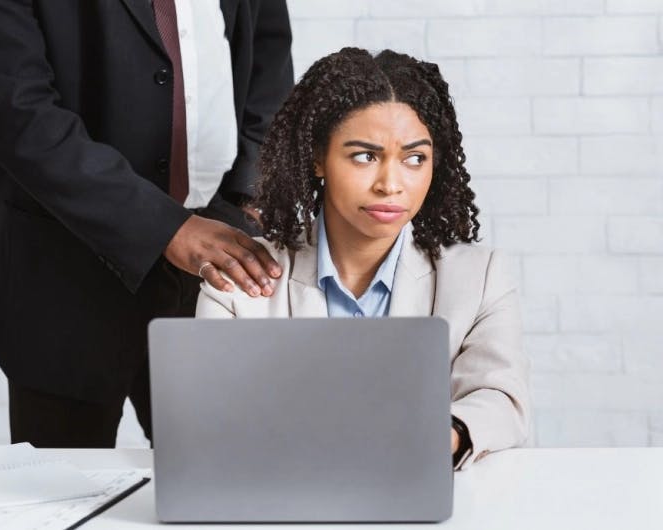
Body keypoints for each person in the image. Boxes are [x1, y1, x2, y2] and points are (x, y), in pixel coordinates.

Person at [0, 0, 292, 447]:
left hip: (221, 248)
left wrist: (253, 192)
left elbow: (268, 50)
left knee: (225, 482)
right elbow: (16, 112)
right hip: (65, 267)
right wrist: (165, 227)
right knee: (64, 498)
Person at [196, 47, 530, 470]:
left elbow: (501, 398)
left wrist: (441, 436)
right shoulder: (243, 277)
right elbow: (213, 410)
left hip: (418, 490)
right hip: (284, 492)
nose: (391, 184)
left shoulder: (478, 276)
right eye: (365, 156)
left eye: (414, 159)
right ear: (319, 158)